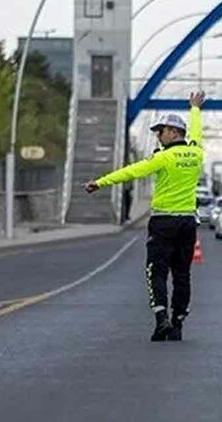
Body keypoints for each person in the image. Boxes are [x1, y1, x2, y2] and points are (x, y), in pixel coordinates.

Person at [86, 91, 207, 341]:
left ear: (173, 132)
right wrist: (195, 108)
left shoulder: (163, 158)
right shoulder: (196, 153)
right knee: (182, 274)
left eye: (160, 131)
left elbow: (132, 172)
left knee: (156, 271)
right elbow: (196, 133)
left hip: (163, 223)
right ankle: (178, 322)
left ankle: (161, 318)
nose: (158, 136)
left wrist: (100, 182)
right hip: (187, 223)